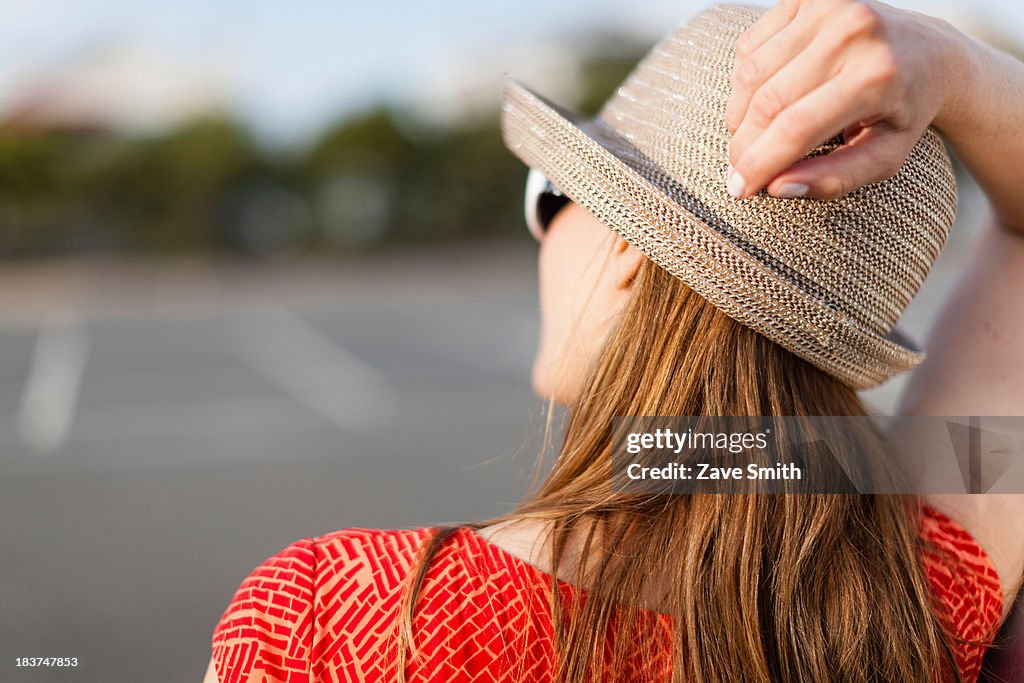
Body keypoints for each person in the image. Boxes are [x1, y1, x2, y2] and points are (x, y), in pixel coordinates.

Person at [203, 1, 1024, 681]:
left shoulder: (330, 619)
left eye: (553, 194)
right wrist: (953, 66)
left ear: (631, 243)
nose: (541, 234)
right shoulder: (929, 578)